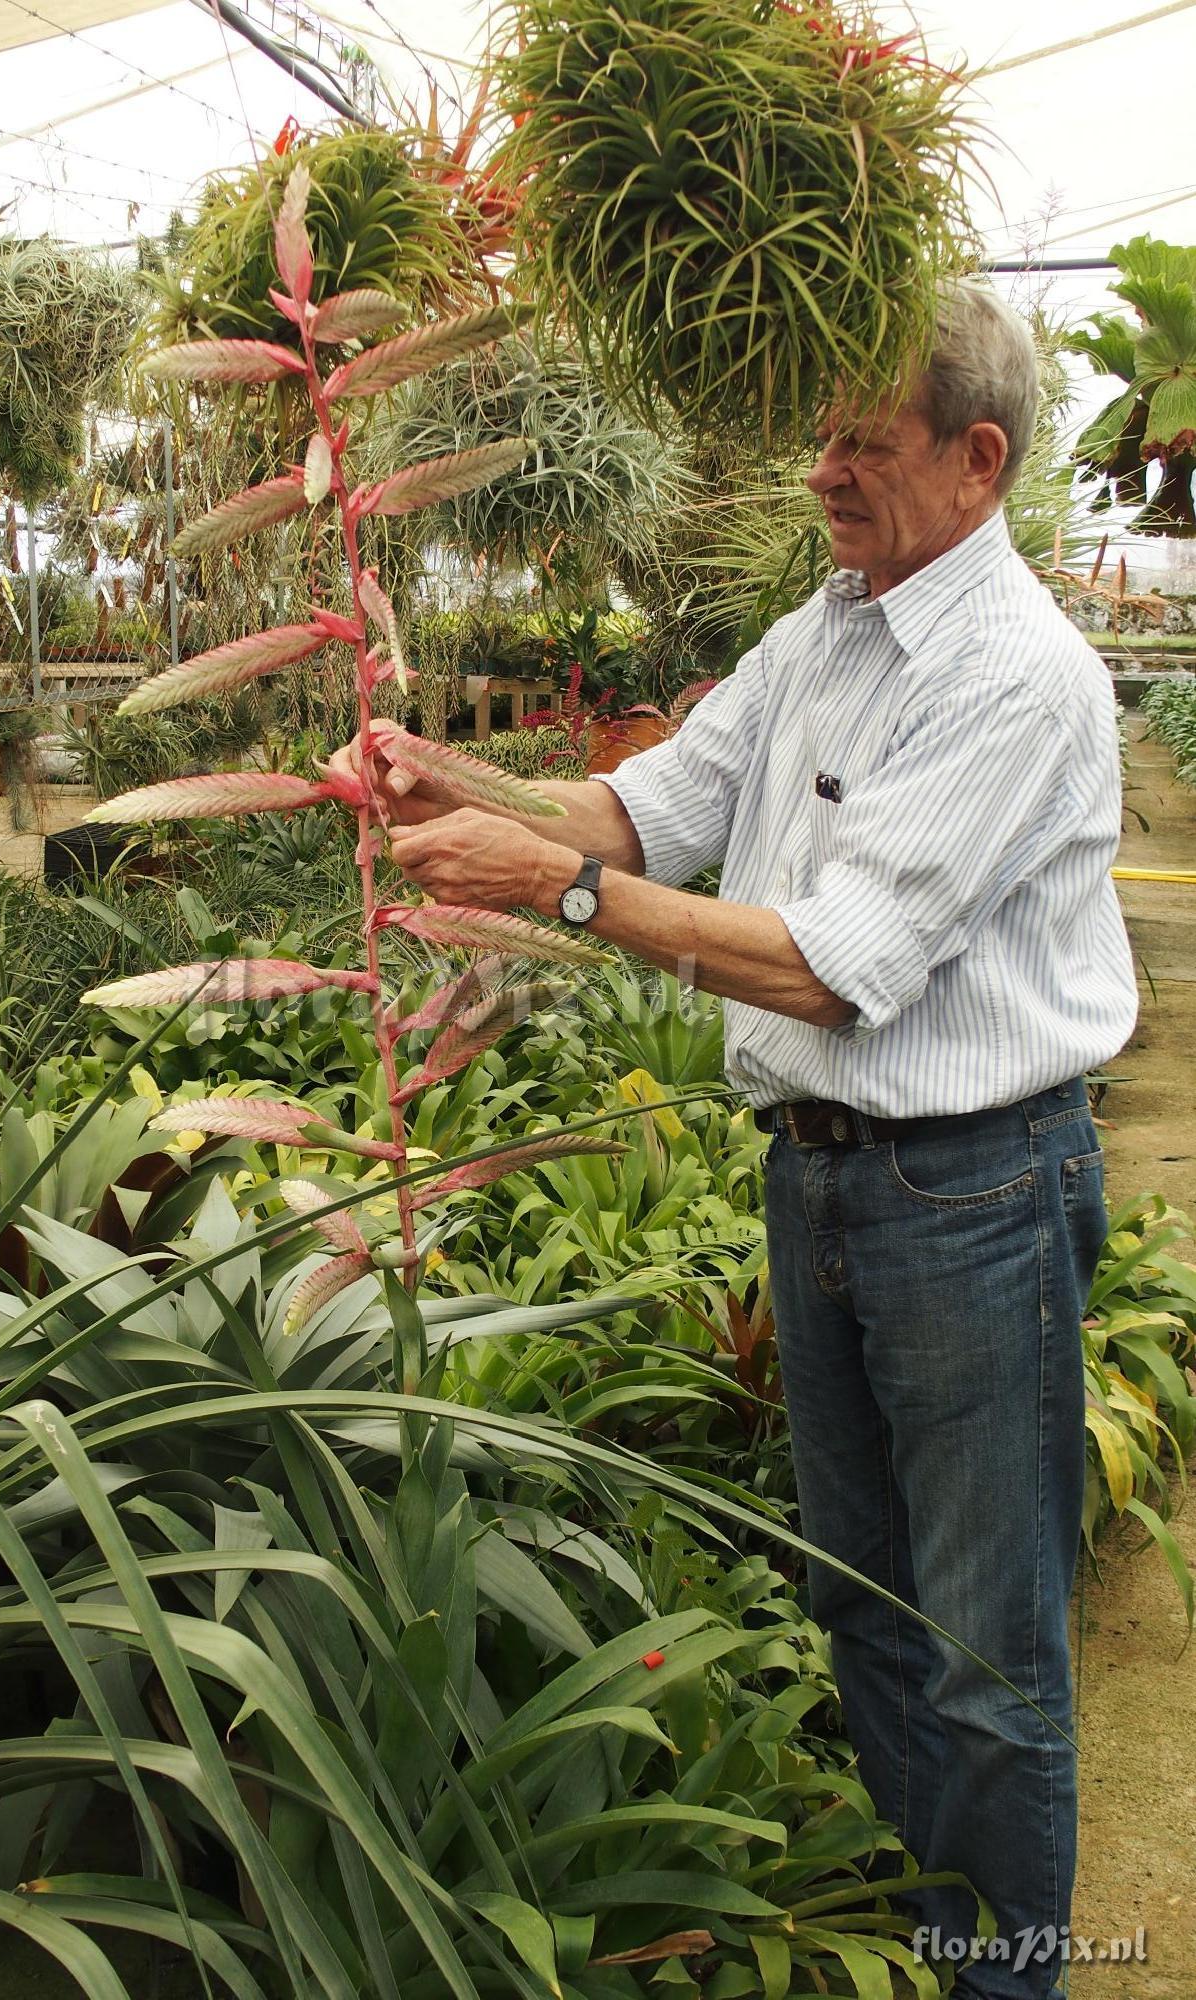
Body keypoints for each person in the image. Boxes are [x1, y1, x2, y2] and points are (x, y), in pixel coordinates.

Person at [329, 281, 1139, 1998]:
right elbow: (649, 807)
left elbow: (841, 967)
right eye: (824, 432)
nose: (825, 468)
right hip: (827, 1178)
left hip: (974, 1188)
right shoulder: (824, 629)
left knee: (988, 1653)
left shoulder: (1019, 679)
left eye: (868, 437)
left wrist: (553, 891)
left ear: (978, 460)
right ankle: (939, 1949)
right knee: (865, 1603)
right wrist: (455, 783)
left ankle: (1009, 1978)